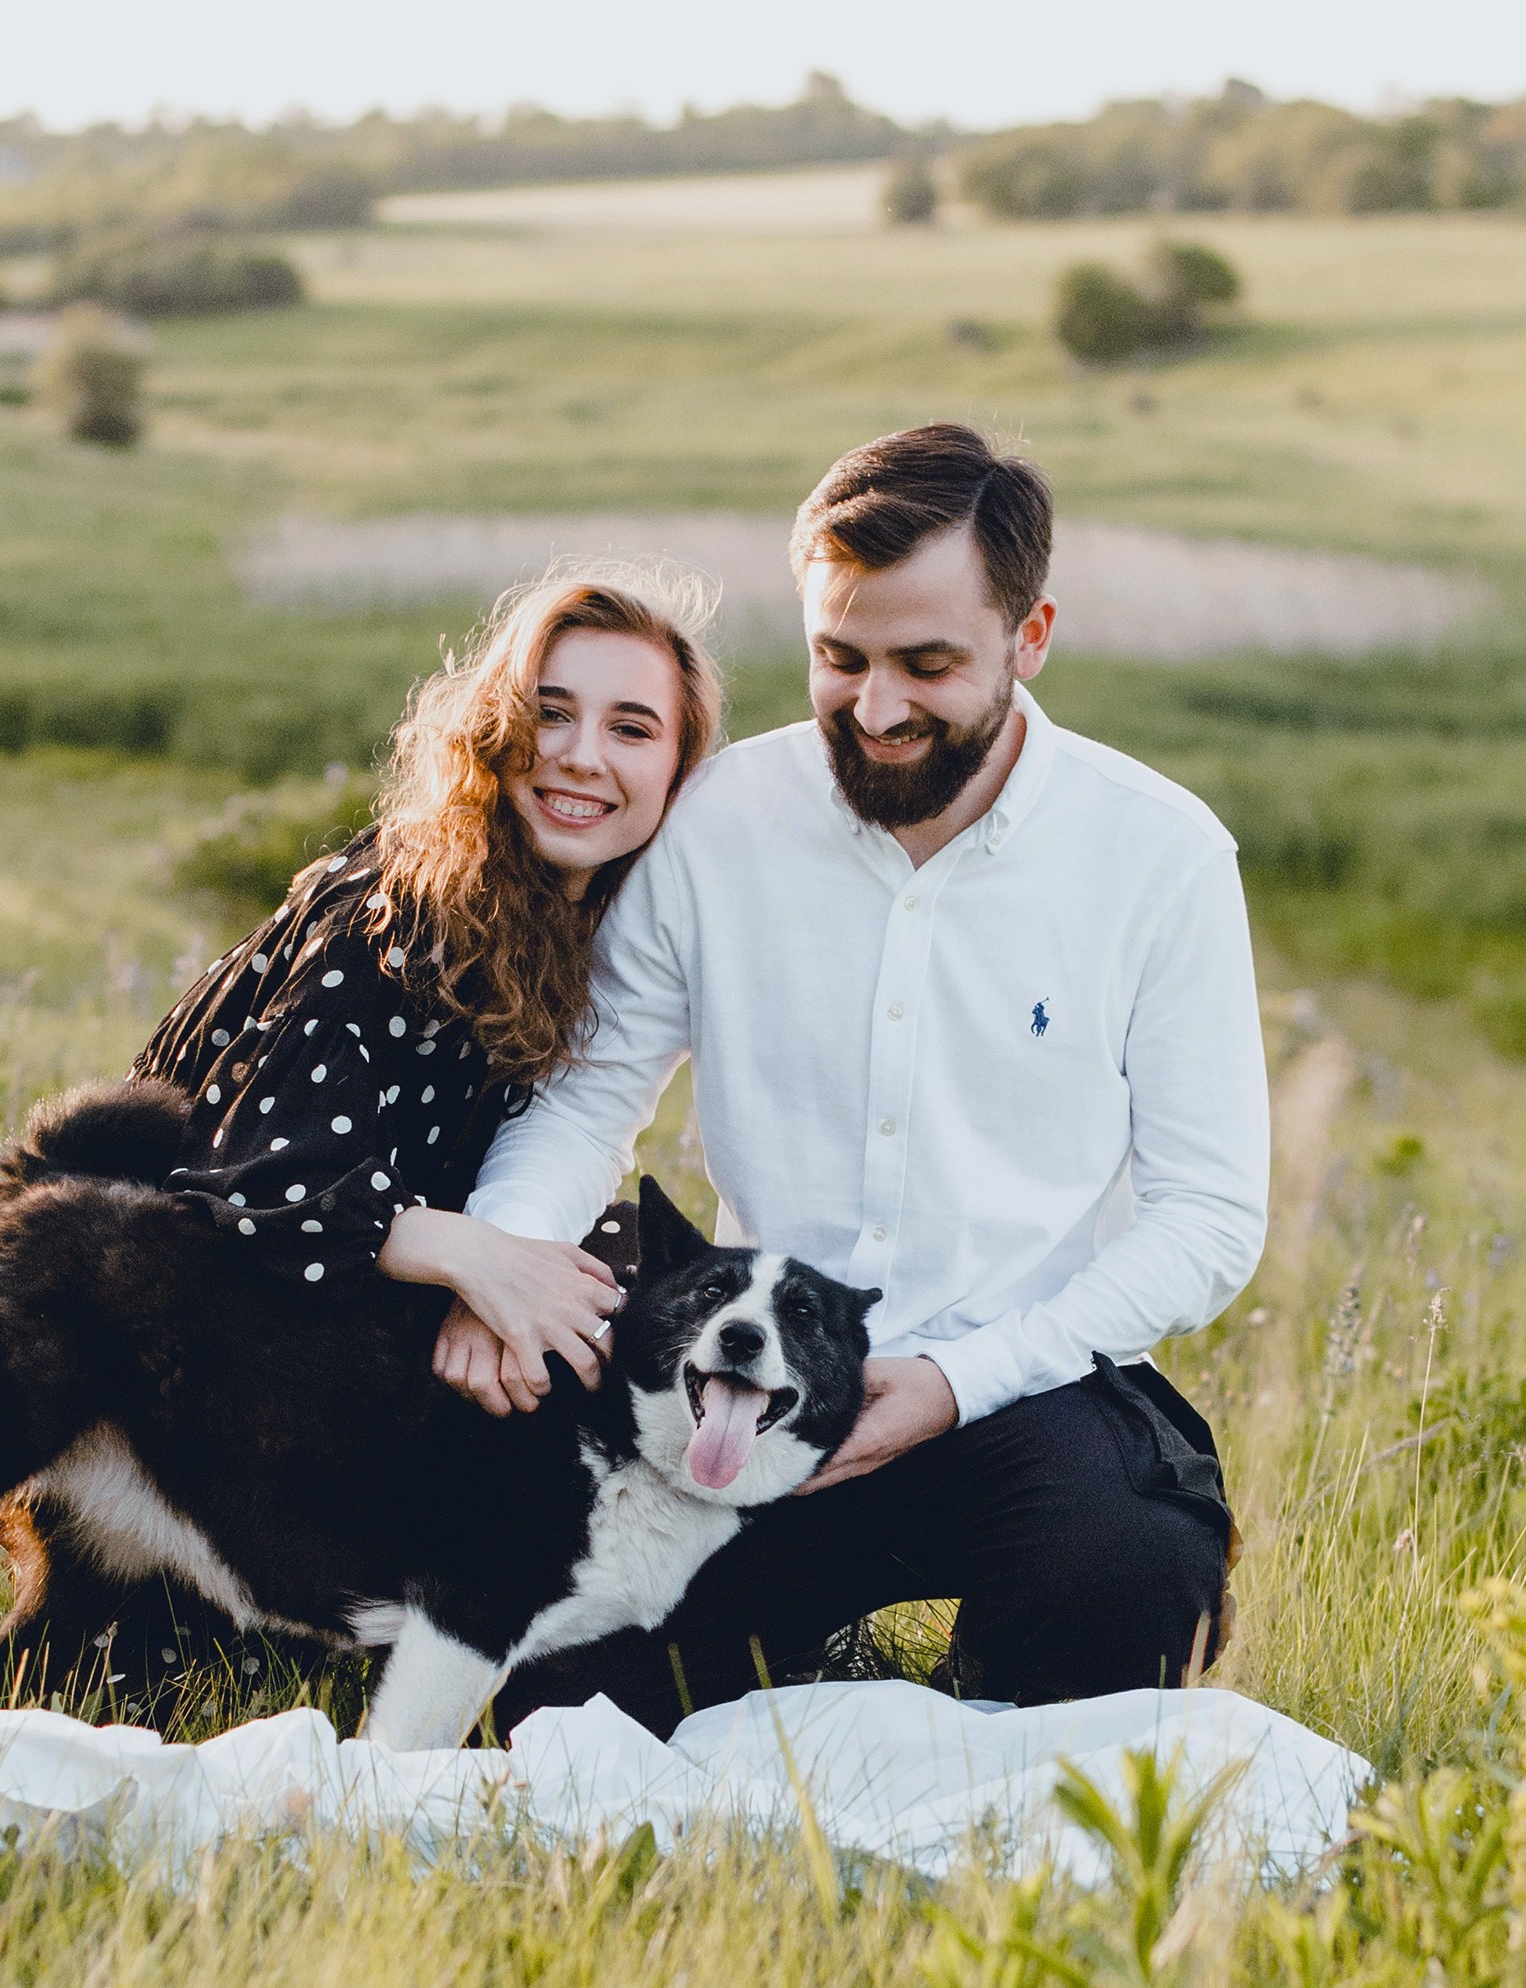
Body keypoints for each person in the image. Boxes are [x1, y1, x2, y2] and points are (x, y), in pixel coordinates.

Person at [437, 424, 1271, 1739]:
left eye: (926, 665)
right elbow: (591, 1100)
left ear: (1029, 634)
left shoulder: (1159, 855)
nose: (875, 709)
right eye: (841, 658)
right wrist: (506, 1260)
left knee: (1120, 1581)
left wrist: (953, 1382)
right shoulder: (718, 822)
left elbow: (1209, 1218)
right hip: (746, 1387)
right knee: (549, 1706)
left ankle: (990, 1692)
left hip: (1023, 1384)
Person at [0, 571, 722, 1717]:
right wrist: (481, 1260)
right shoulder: (403, 907)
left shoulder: (585, 934)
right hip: (153, 1342)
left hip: (307, 1331)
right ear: (494, 731)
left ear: (678, 773)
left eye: (632, 727)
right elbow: (262, 1176)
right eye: (552, 711)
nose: (582, 753)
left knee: (623, 1275)